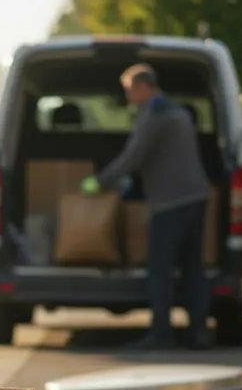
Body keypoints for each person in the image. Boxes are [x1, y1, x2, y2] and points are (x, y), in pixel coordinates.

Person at [81, 63, 214, 350]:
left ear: (144, 87)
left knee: (160, 269)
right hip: (196, 197)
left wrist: (100, 182)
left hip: (170, 202)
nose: (128, 97)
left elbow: (133, 156)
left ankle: (161, 335)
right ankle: (199, 334)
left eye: (129, 90)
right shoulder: (176, 111)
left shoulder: (154, 115)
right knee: (193, 268)